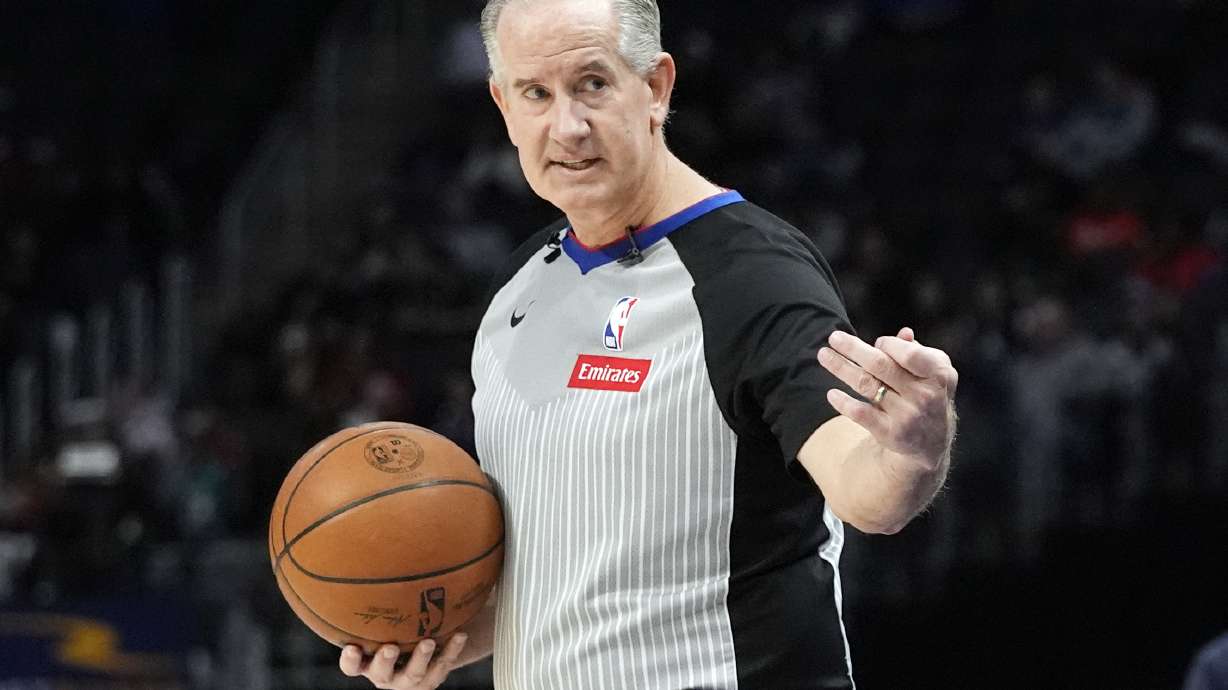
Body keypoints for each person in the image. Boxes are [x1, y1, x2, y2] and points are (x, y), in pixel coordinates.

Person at [339, 0, 958, 687]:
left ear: (657, 87)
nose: (567, 126)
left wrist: (912, 447)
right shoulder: (519, 287)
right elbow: (560, 579)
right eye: (536, 93)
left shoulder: (752, 276)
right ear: (503, 105)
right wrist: (433, 638)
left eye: (593, 85)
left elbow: (867, 490)